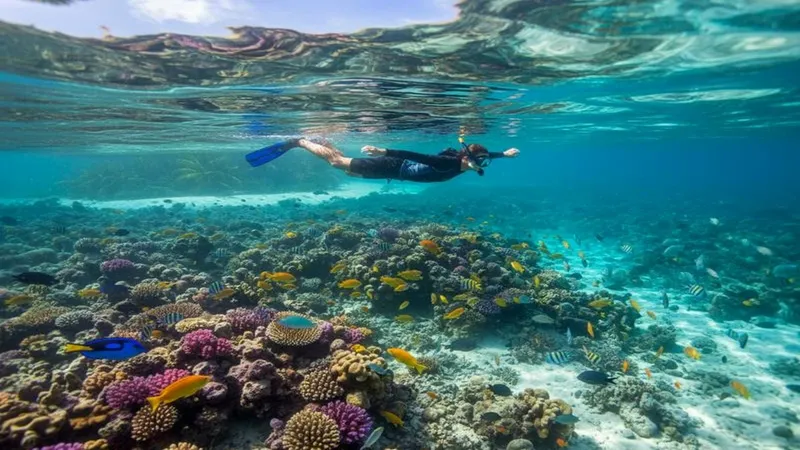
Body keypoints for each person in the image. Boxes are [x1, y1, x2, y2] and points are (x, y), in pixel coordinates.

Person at [285, 137, 519, 182]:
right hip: (394, 165)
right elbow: (413, 155)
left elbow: (487, 156)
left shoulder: (468, 163)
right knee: (337, 163)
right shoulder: (447, 163)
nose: (483, 165)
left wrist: (504, 155)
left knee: (347, 171)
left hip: (395, 174)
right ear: (467, 157)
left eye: (485, 162)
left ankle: (325, 142)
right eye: (481, 161)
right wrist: (382, 151)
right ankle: (301, 141)